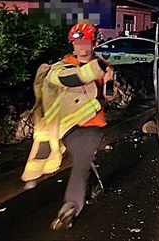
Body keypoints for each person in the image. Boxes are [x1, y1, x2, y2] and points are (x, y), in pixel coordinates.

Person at [21, 24, 115, 229]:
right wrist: (100, 69)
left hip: (93, 125)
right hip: (68, 128)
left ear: (95, 43)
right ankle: (89, 191)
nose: (80, 46)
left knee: (82, 161)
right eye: (76, 42)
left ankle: (70, 206)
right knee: (83, 160)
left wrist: (108, 80)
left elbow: (108, 96)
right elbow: (73, 78)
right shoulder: (60, 68)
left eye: (85, 42)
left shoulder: (102, 65)